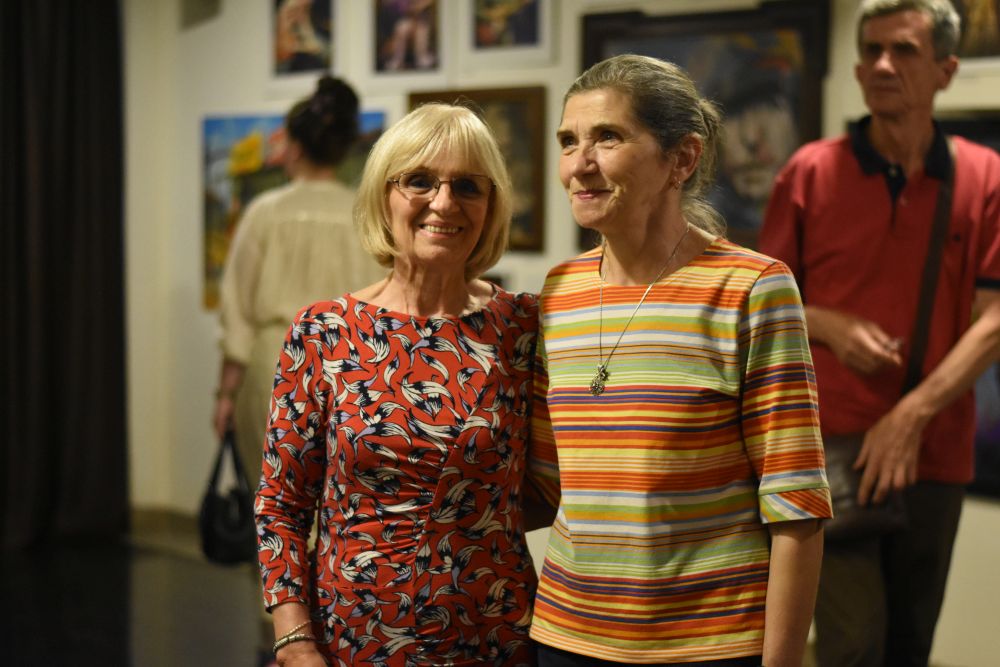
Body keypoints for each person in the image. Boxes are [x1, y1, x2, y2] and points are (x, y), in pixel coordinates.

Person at [528, 54, 832, 667]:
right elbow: (546, 483)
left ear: (682, 159)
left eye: (607, 137)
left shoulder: (752, 288)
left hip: (709, 645)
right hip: (566, 638)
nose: (579, 164)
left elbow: (796, 505)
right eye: (568, 141)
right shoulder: (558, 292)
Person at [255, 103, 540, 666]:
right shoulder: (324, 331)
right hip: (351, 641)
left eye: (468, 186)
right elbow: (281, 505)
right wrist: (293, 637)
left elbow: (559, 480)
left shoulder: (522, 327)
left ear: (492, 206)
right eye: (420, 181)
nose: (444, 203)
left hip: (491, 639)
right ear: (384, 195)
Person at [759, 1, 1000, 664]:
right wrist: (827, 323)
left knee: (911, 643)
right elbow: (762, 306)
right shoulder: (810, 171)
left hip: (936, 452)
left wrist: (911, 416)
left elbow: (994, 318)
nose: (883, 65)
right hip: (827, 452)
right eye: (871, 50)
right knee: (852, 644)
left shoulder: (985, 177)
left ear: (946, 70)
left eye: (905, 50)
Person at [213, 75, 385, 484]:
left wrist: (225, 393)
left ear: (294, 146)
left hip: (273, 369)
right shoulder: (366, 217)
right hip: (349, 371)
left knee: (273, 498)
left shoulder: (265, 212)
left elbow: (238, 313)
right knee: (341, 500)